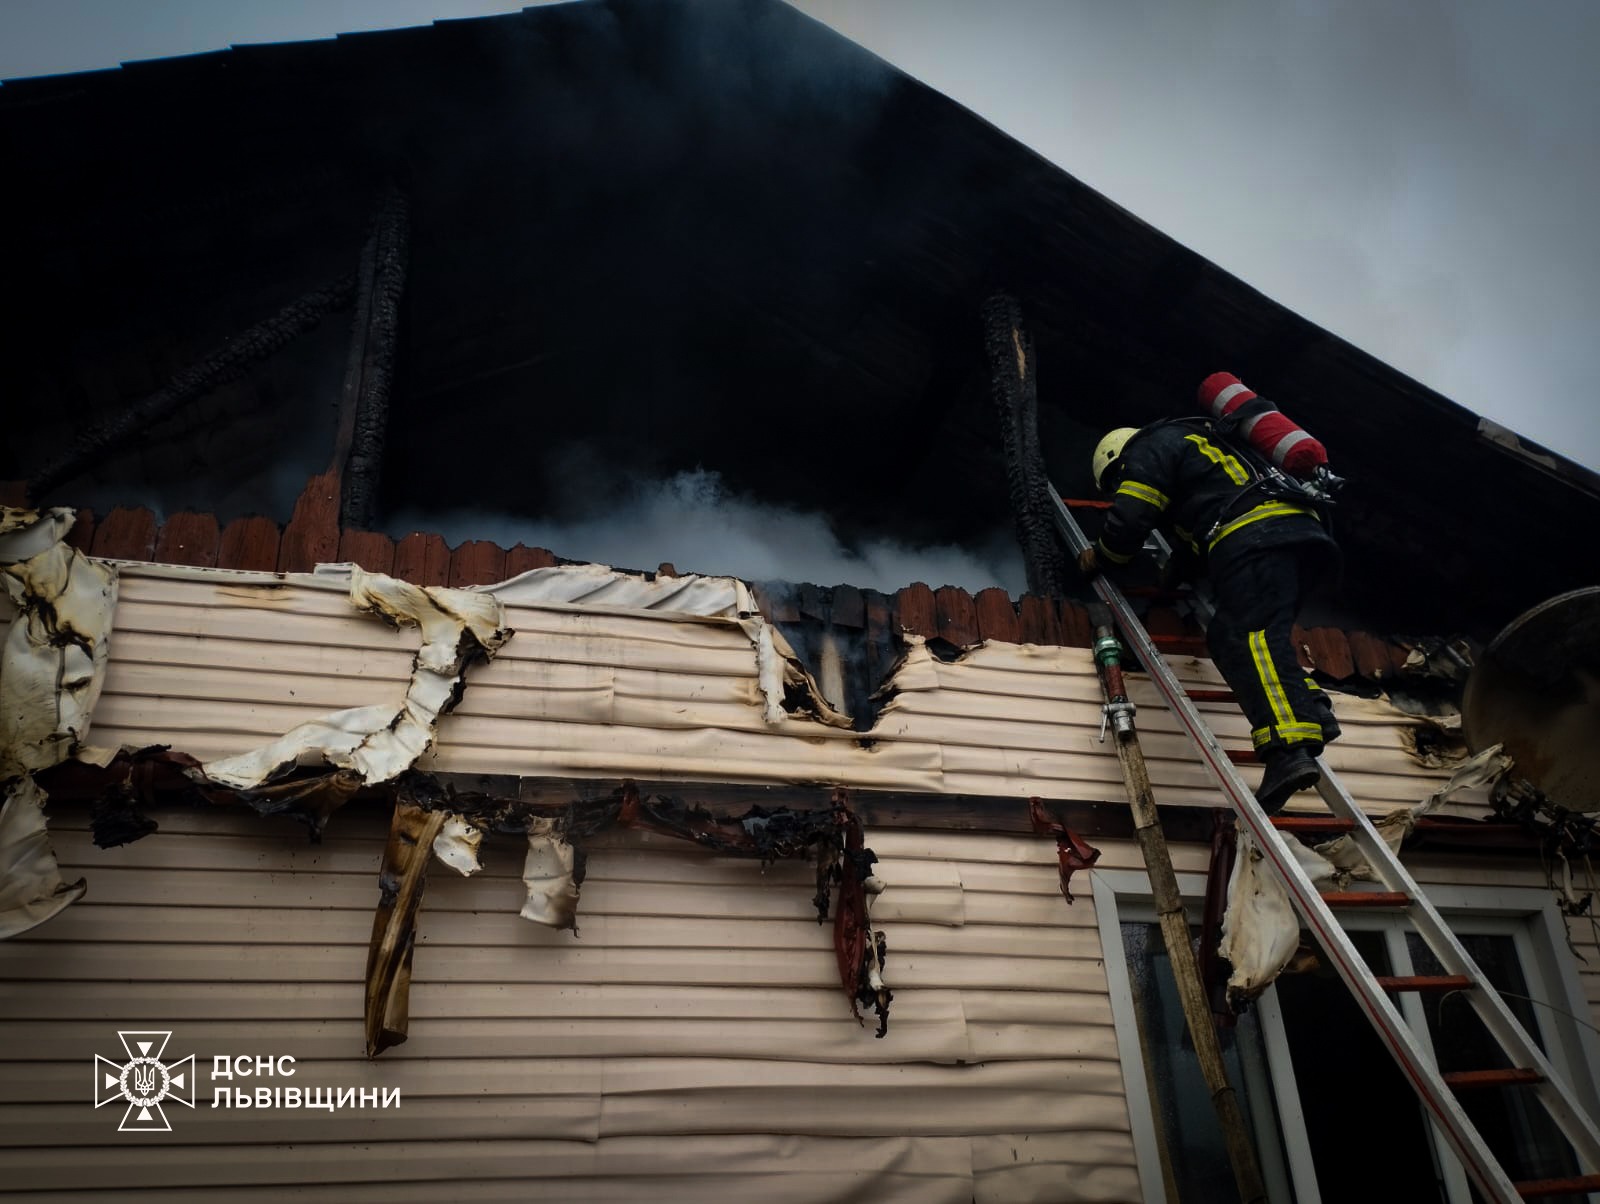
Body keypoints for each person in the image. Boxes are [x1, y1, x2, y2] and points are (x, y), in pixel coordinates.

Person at [1076, 414, 1341, 813]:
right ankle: (1311, 707)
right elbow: (1198, 529)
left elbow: (1131, 516)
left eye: (1118, 481)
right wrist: (1170, 579)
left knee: (1247, 637)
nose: (1120, 488)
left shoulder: (1148, 448)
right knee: (1240, 633)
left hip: (1257, 537)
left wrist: (1101, 554)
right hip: (1298, 535)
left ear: (1119, 461)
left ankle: (1288, 751)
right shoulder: (1196, 448)